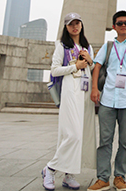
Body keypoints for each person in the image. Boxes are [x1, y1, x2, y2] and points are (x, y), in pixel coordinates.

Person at [87, 11, 126, 191]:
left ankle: (120, 177)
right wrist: (94, 88)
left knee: (124, 142)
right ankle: (103, 178)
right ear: (114, 26)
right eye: (120, 23)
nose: (123, 26)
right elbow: (97, 66)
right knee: (105, 141)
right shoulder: (107, 47)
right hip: (107, 99)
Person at [42, 13, 97, 191]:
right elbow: (54, 70)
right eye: (71, 24)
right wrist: (75, 66)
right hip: (70, 92)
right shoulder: (62, 46)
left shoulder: (87, 46)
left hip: (85, 92)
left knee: (81, 135)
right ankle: (50, 169)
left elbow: (92, 68)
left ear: (81, 25)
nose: (74, 27)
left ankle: (69, 174)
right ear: (66, 27)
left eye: (77, 23)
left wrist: (90, 61)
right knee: (72, 135)